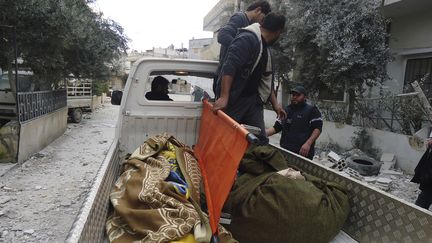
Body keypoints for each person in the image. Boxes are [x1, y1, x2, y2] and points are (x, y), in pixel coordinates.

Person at [213, 12, 286, 144]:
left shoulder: (266, 49)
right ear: (278, 31)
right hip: (236, 99)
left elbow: (266, 80)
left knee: (260, 141)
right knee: (225, 139)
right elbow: (229, 67)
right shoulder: (248, 38)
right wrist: (224, 97)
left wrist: (276, 105)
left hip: (253, 101)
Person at [213, 1, 271, 94]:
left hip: (231, 78)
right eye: (262, 19)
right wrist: (241, 48)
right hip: (224, 77)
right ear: (258, 10)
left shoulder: (248, 24)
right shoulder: (240, 18)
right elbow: (222, 35)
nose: (261, 23)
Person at [266, 86, 323, 159]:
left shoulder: (312, 110)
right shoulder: (286, 110)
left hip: (303, 153)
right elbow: (276, 128)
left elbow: (317, 129)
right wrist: (262, 134)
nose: (294, 97)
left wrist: (308, 144)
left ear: (305, 97)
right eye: (293, 95)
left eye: (298, 95)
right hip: (285, 151)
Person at [411, 132, 432, 210]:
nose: (428, 141)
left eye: (430, 139)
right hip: (427, 187)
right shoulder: (429, 150)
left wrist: (425, 179)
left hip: (429, 188)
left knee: (419, 209)